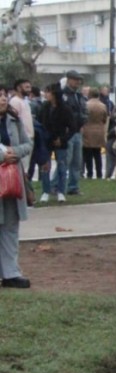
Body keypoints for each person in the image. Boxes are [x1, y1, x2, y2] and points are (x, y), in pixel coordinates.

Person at [0, 85, 33, 289]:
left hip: (12, 182)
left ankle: (11, 273)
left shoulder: (14, 119)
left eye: (4, 96)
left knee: (11, 227)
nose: (3, 100)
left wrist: (14, 152)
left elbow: (28, 144)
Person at [37, 83, 75, 203]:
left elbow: (72, 127)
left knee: (62, 166)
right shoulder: (44, 107)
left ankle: (61, 192)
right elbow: (39, 123)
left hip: (60, 141)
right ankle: (45, 191)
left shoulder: (65, 109)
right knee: (45, 167)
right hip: (46, 141)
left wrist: (63, 139)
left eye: (48, 92)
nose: (46, 94)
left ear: (54, 94)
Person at [61, 70, 87, 196]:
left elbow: (83, 111)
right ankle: (57, 185)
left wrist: (83, 122)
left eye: (79, 80)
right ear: (69, 80)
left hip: (78, 130)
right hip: (68, 131)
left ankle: (73, 186)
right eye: (75, 79)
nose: (78, 82)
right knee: (66, 160)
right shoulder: (63, 95)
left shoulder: (78, 95)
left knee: (77, 161)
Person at [81, 87, 108, 179]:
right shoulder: (103, 105)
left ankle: (90, 173)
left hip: (87, 130)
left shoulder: (86, 105)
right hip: (99, 130)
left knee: (88, 154)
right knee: (97, 154)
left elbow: (83, 118)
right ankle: (99, 173)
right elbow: (105, 118)